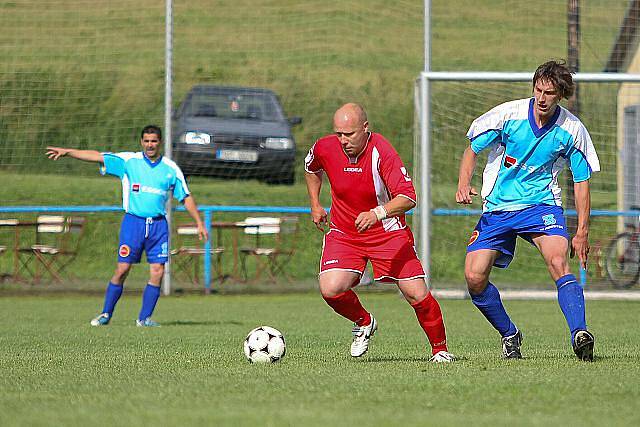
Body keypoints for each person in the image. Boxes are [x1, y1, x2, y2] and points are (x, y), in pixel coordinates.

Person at [456, 60, 600, 361]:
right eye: (538, 90)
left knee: (559, 260)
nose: (542, 98)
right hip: (498, 208)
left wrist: (582, 232)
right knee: (474, 276)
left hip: (541, 205)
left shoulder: (571, 130)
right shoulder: (509, 116)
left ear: (560, 95)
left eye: (549, 92)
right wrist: (463, 183)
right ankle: (510, 333)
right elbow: (472, 149)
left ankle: (580, 333)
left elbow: (582, 181)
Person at [304, 103, 455, 362]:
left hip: (386, 232)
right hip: (345, 232)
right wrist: (315, 203)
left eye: (349, 134)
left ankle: (440, 351)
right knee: (331, 288)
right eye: (338, 133)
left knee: (416, 293)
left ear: (365, 128)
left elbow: (408, 197)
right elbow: (311, 167)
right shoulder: (325, 146)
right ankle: (364, 322)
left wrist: (377, 213)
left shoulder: (381, 151)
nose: (342, 140)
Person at [46, 125, 208, 327]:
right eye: (147, 141)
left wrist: (199, 223)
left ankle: (144, 318)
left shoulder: (170, 168)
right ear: (141, 142)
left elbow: (185, 196)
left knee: (157, 270)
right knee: (123, 269)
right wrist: (68, 152)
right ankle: (106, 314)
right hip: (134, 223)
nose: (150, 144)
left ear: (160, 142)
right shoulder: (128, 161)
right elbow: (97, 156)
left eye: (154, 141)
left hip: (158, 226)